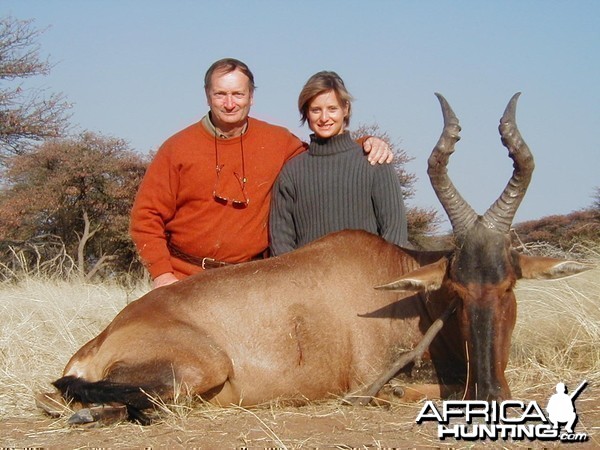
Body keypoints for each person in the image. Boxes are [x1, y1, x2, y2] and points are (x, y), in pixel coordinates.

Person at [130, 58, 394, 289]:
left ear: (251, 96)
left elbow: (321, 154)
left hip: (253, 281)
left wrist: (363, 146)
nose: (230, 103)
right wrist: (163, 275)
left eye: (238, 94)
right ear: (207, 96)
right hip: (187, 279)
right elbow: (146, 217)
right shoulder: (177, 148)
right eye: (221, 94)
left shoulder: (278, 141)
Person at [269, 71, 407, 256]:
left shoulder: (375, 162)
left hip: (367, 280)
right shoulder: (291, 173)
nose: (324, 118)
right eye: (316, 110)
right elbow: (281, 242)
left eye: (332, 109)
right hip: (308, 281)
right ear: (306, 113)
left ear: (346, 109)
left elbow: (395, 236)